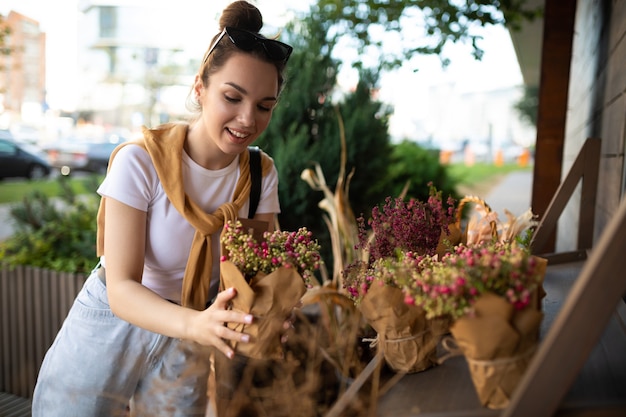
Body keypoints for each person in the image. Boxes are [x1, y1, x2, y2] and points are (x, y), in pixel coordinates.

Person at [32, 1, 293, 415]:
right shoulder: (142, 161)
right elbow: (121, 290)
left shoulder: (260, 174)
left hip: (191, 333)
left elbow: (260, 270)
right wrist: (198, 324)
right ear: (200, 88)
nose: (247, 119)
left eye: (264, 105)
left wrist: (274, 306)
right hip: (113, 327)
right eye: (232, 97)